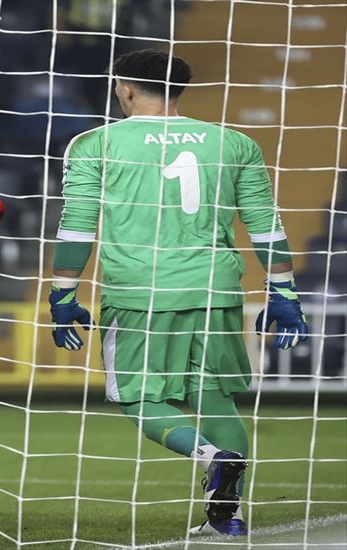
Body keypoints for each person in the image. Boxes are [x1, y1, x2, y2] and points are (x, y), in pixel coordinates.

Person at [48, 49, 309, 538]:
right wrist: (283, 291)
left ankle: (211, 457)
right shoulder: (234, 142)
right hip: (216, 288)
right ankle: (226, 518)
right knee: (214, 399)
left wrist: (63, 293)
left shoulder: (95, 143)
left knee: (138, 399)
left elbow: (77, 226)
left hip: (139, 291)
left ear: (125, 88)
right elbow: (265, 225)